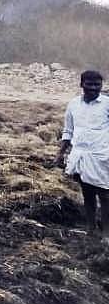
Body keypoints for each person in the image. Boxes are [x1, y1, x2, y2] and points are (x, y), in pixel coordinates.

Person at [55, 70, 109, 241]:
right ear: (81, 84)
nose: (93, 88)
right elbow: (68, 131)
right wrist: (60, 154)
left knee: (105, 195)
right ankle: (91, 228)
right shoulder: (73, 105)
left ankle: (106, 233)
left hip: (102, 156)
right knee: (87, 193)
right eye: (89, 84)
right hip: (80, 156)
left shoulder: (107, 104)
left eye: (97, 85)